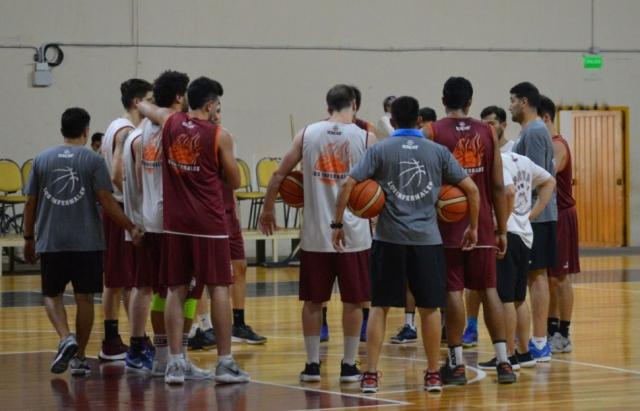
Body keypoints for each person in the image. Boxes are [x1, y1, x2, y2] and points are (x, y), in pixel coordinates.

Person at [335, 96, 478, 393]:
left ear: (394, 120)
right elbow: (472, 190)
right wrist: (473, 227)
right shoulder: (437, 151)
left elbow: (348, 184)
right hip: (427, 241)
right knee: (429, 308)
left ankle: (371, 374)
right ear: (419, 122)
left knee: (380, 307)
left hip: (389, 240)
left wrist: (338, 223)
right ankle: (433, 374)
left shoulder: (381, 149)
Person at [259, 84, 374, 383]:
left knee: (313, 302)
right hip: (354, 234)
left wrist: (268, 209)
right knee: (353, 302)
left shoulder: (307, 133)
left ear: (328, 107)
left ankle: (312, 365)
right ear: (355, 105)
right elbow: (379, 188)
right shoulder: (365, 137)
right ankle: (349, 365)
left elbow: (278, 175)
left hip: (315, 234)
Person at [138, 76, 249, 385]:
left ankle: (174, 363)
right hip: (209, 224)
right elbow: (235, 180)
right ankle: (225, 362)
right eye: (218, 106)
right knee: (218, 289)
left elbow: (148, 108)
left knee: (175, 289)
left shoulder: (170, 121)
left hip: (175, 224)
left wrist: (143, 103)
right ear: (210, 105)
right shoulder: (219, 135)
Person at [23, 107, 143, 376]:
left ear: (61, 129)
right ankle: (78, 357)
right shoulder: (93, 160)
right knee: (85, 298)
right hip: (87, 242)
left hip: (52, 241)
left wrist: (29, 238)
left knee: (51, 295)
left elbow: (31, 203)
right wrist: (130, 226)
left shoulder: (41, 159)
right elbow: (107, 201)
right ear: (87, 131)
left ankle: (66, 337)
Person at [428, 77, 516, 384]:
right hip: (483, 227)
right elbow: (498, 186)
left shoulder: (433, 131)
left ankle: (457, 364)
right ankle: (504, 362)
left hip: (448, 225)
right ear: (470, 101)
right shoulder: (488, 131)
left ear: (443, 99)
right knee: (488, 289)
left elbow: (429, 183)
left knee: (453, 291)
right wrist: (502, 230)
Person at [136, 70, 212, 379]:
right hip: (177, 220)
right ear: (181, 97)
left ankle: (163, 358)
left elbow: (127, 176)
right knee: (186, 290)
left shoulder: (139, 130)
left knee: (160, 290)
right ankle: (177, 360)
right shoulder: (179, 128)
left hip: (149, 218)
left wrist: (134, 220)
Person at [189, 104, 267, 347]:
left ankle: (238, 323)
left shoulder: (225, 137)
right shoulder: (195, 138)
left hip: (227, 211)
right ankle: (203, 326)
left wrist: (235, 212)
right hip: (207, 213)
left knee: (240, 266)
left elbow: (233, 183)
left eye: (221, 110)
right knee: (203, 274)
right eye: (215, 109)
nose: (218, 114)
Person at [477, 147, 556, 370]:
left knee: (505, 299)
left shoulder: (498, 160)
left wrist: (502, 223)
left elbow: (509, 191)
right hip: (524, 234)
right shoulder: (523, 160)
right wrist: (531, 214)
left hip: (508, 233)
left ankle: (508, 356)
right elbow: (550, 181)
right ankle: (524, 353)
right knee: (519, 297)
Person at [98, 79, 153, 361]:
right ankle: (135, 339)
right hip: (122, 210)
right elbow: (117, 173)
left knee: (116, 279)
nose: (153, 105)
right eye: (150, 99)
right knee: (128, 281)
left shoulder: (112, 126)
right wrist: (136, 201)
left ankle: (114, 338)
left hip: (113, 210)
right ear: (137, 102)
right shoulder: (127, 132)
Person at [509, 82, 557, 361]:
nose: (510, 105)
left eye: (513, 100)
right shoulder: (531, 131)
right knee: (531, 277)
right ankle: (532, 339)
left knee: (537, 277)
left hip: (538, 217)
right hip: (533, 216)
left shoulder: (536, 132)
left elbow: (537, 179)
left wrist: (528, 215)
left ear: (524, 102)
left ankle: (539, 341)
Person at [461, 105, 511, 348]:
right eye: (485, 123)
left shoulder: (509, 153)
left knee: (495, 290)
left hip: (490, 225)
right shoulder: (479, 142)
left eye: (492, 123)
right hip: (471, 224)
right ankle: (470, 327)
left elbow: (506, 191)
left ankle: (507, 351)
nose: (488, 128)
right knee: (471, 288)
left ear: (503, 125)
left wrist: (502, 226)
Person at [390, 105, 439, 345]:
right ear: (418, 121)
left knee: (439, 291)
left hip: (433, 228)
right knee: (411, 283)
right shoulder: (430, 149)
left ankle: (444, 330)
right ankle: (410, 325)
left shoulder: (435, 149)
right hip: (421, 231)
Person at [539, 95, 580, 353]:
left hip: (563, 214)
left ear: (545, 118)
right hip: (551, 216)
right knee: (549, 277)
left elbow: (544, 178)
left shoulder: (557, 145)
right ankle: (551, 328)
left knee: (561, 277)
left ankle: (564, 333)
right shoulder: (547, 144)